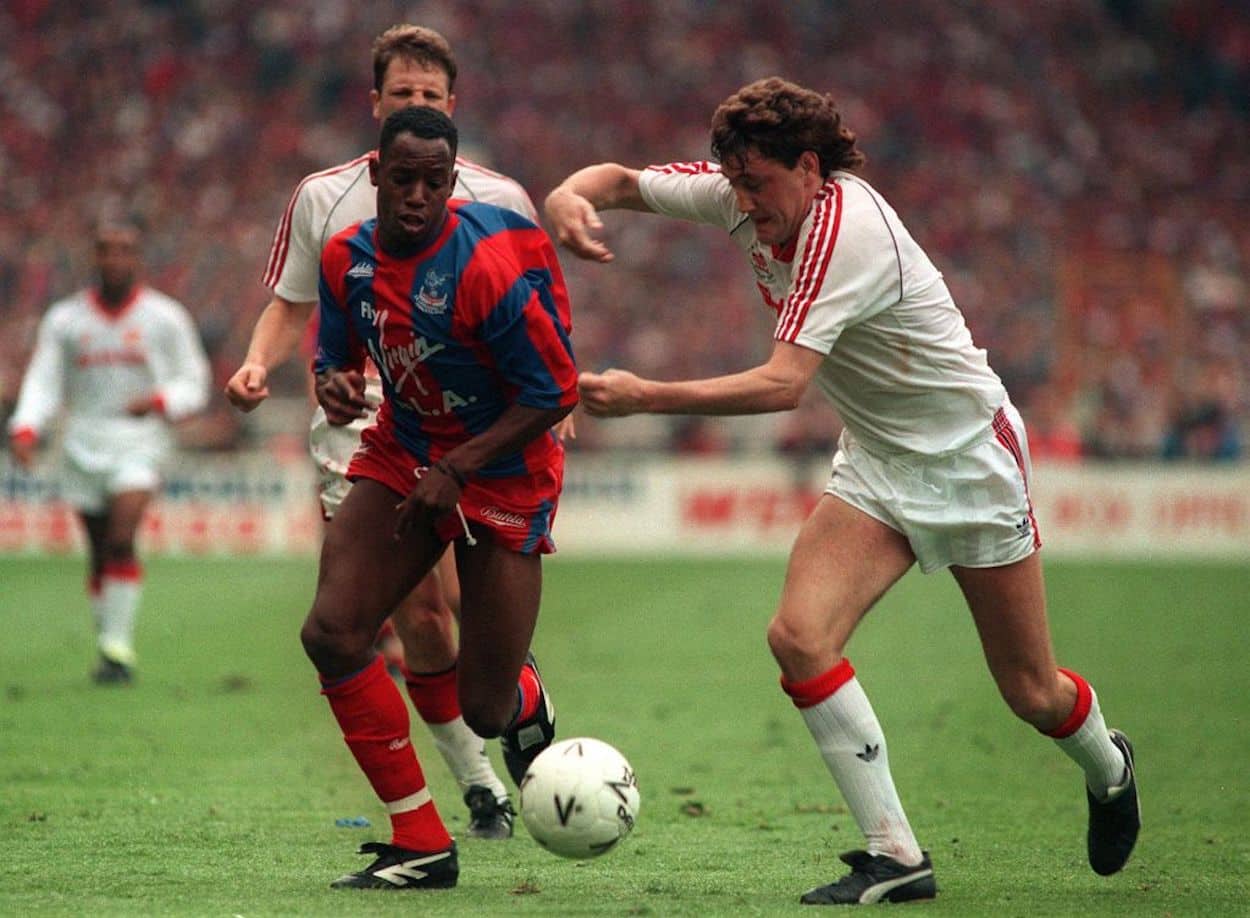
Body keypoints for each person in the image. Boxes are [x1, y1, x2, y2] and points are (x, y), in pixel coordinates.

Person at [545, 77, 1140, 906]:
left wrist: (644, 395)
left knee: (1031, 692)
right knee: (799, 637)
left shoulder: (843, 229)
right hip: (879, 462)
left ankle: (1110, 770)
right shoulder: (741, 195)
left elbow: (785, 385)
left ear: (811, 168)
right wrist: (570, 194)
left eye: (760, 186)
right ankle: (896, 855)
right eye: (737, 185)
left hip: (970, 461)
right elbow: (619, 182)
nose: (747, 205)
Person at [225, 24, 543, 838]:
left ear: (452, 105)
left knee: (456, 643)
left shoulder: (499, 200)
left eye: (429, 97)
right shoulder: (325, 200)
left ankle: (512, 702)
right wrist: (271, 365)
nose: (415, 105)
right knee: (411, 618)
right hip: (377, 422)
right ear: (375, 106)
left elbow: (539, 328)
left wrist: (547, 408)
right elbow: (301, 306)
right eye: (401, 95)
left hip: (479, 431)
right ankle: (475, 791)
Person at [304, 105, 577, 890]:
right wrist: (333, 379)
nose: (417, 195)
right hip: (405, 449)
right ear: (376, 176)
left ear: (451, 183)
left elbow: (553, 391)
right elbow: (337, 349)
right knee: (333, 631)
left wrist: (459, 466)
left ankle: (521, 689)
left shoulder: (482, 267)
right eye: (403, 179)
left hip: (506, 470)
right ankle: (421, 840)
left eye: (434, 181)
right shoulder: (345, 259)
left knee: (483, 709)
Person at [7, 217, 210, 684]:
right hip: (81, 440)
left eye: (124, 249)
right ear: (93, 257)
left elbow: (193, 381)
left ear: (138, 258)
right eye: (106, 249)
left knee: (121, 537)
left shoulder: (165, 317)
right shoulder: (65, 320)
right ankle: (108, 644)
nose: (115, 258)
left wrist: (162, 401)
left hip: (140, 441)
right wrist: (26, 428)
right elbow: (44, 379)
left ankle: (118, 650)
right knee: (100, 550)